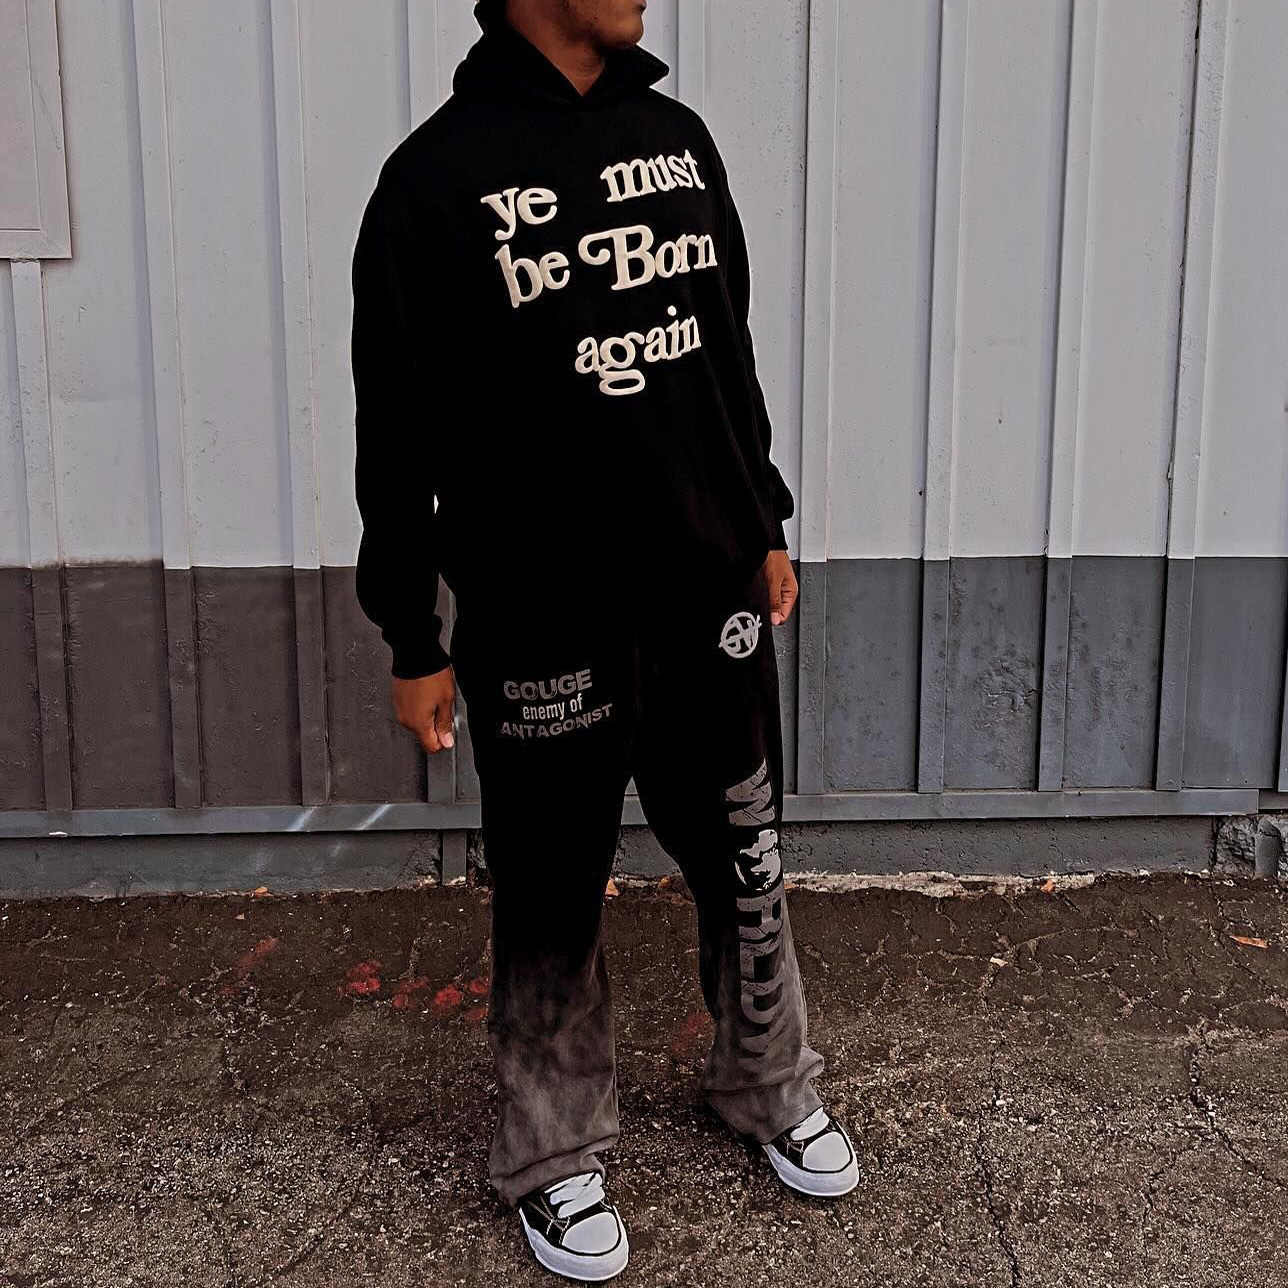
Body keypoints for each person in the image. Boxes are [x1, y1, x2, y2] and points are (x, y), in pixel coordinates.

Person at [351, 0, 858, 1278]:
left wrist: (762, 519)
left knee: (742, 849)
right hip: (540, 615)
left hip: (706, 584)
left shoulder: (676, 144)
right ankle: (551, 1149)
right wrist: (413, 633)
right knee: (550, 886)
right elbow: (395, 432)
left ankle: (765, 1077)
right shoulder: (431, 184)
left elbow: (722, 351)